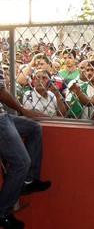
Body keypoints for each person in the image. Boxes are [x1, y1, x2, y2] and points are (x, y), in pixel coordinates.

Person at [0, 65, 51, 229]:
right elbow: (1, 93)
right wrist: (22, 110)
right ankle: (2, 213)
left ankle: (28, 181)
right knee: (21, 162)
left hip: (3, 116)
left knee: (34, 129)